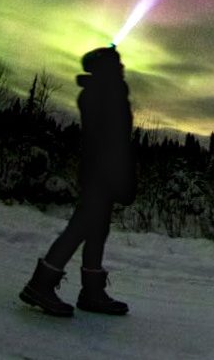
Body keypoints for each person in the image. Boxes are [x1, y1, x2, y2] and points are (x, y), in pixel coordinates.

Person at [20, 45, 136, 316]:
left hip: (105, 172)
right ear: (105, 68)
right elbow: (108, 138)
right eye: (116, 64)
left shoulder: (108, 92)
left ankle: (92, 291)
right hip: (99, 172)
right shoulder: (100, 93)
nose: (121, 68)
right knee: (82, 226)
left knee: (98, 229)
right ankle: (41, 283)